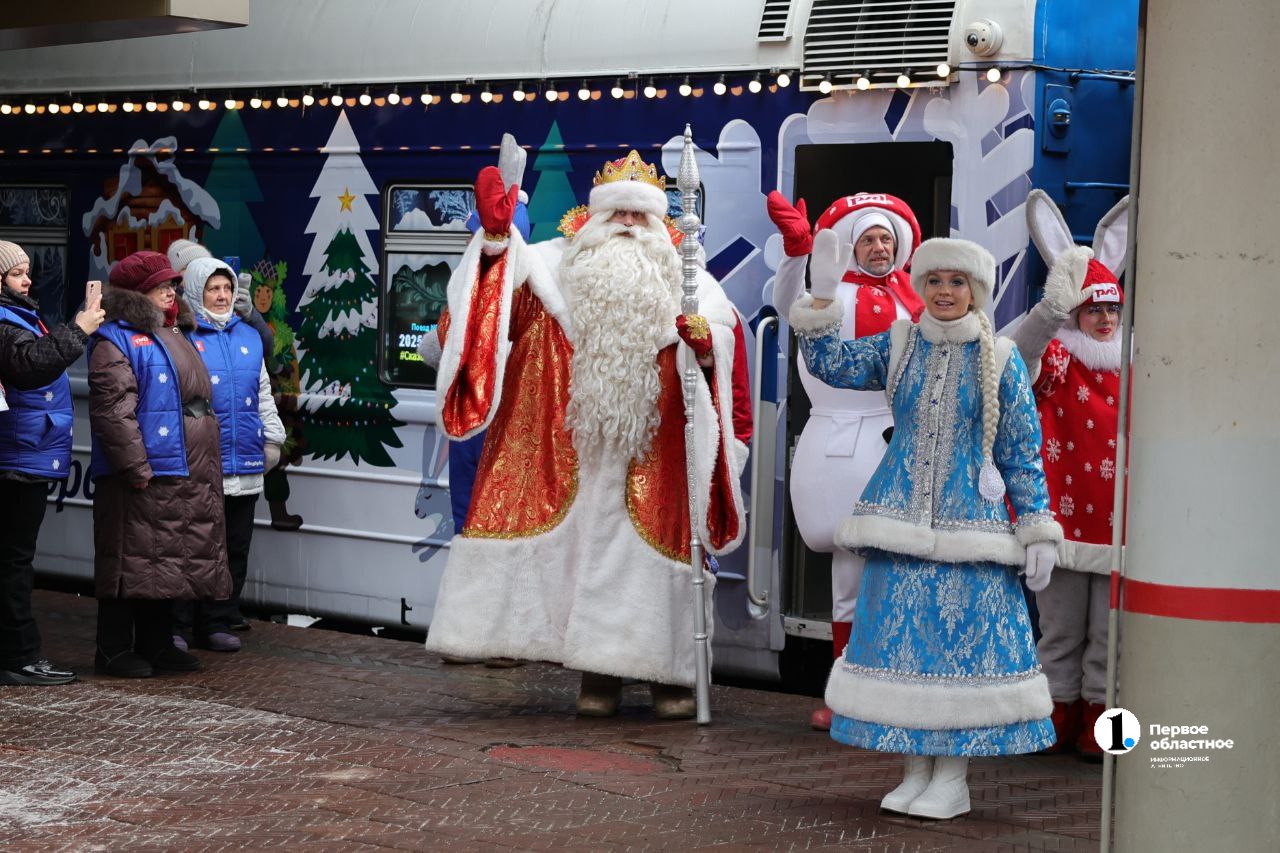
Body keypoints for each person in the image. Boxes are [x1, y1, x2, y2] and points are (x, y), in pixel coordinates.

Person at [424, 144, 747, 719]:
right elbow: (480, 320)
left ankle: (671, 678)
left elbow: (725, 357)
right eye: (618, 213)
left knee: (653, 563)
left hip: (659, 455)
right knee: (592, 560)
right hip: (571, 451)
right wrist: (496, 245)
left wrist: (705, 348)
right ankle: (598, 676)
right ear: (593, 217)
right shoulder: (549, 268)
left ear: (658, 222)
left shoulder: (693, 282)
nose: (627, 224)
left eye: (640, 214)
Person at [787, 231, 1061, 819]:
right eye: (934, 280)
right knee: (902, 648)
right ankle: (915, 771)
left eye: (956, 282)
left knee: (954, 650)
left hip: (972, 527)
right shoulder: (899, 343)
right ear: (920, 286)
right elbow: (830, 362)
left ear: (977, 291)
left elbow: (1020, 448)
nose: (944, 291)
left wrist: (1037, 525)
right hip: (897, 518)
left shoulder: (1002, 359)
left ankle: (953, 780)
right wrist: (821, 296)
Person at [767, 191, 925, 730]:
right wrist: (797, 253)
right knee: (850, 576)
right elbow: (788, 306)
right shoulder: (830, 291)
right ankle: (845, 691)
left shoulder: (916, 297)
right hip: (844, 441)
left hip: (904, 443)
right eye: (868, 239)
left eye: (886, 238)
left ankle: (899, 688)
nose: (879, 248)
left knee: (905, 572)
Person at [1013, 190, 1130, 758]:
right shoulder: (1057, 359)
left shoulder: (1139, 365)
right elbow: (1017, 356)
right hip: (1060, 519)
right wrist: (1050, 310)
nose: (1105, 319)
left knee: (1110, 637)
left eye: (1112, 309)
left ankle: (1101, 727)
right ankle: (1052, 716)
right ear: (1076, 313)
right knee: (1058, 629)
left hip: (1120, 524)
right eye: (1093, 309)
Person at [88, 251, 230, 678]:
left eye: (172, 284)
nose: (171, 291)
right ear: (137, 293)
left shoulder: (172, 332)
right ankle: (112, 650)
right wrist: (135, 467)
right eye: (160, 286)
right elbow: (114, 411)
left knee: (165, 562)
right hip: (145, 471)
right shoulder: (116, 340)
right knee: (128, 559)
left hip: (180, 467)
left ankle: (157, 643)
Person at [0, 241, 104, 685]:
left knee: (12, 560)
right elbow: (29, 365)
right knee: (14, 562)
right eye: (16, 273)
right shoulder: (6, 323)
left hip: (24, 453)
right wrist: (78, 329)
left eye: (26, 271)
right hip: (17, 458)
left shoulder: (18, 315)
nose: (27, 279)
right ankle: (20, 656)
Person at [173, 257, 286, 653]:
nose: (222, 297)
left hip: (246, 457)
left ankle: (218, 620)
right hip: (203, 460)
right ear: (196, 293)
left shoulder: (249, 336)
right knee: (196, 544)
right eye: (213, 289)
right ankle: (179, 624)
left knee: (234, 546)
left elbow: (264, 394)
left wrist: (272, 440)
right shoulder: (183, 336)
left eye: (227, 289)